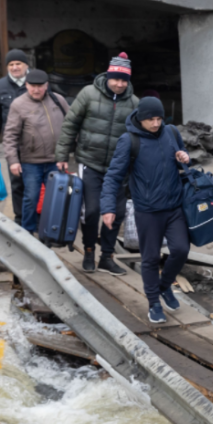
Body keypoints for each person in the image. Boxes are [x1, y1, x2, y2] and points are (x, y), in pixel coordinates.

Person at [100, 96, 190, 324]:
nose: (156, 123)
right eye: (151, 119)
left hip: (174, 206)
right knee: (150, 258)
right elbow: (113, 177)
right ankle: (154, 303)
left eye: (159, 118)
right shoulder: (129, 141)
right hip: (148, 210)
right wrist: (108, 207)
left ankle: (164, 286)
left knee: (180, 249)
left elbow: (182, 157)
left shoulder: (171, 132)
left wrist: (184, 158)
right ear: (141, 118)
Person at [54, 53, 140, 275]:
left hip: (118, 168)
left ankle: (107, 257)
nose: (120, 84)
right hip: (89, 162)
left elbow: (140, 136)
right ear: (108, 76)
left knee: (117, 213)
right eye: (116, 79)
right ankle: (90, 251)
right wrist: (62, 155)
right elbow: (70, 125)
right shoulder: (88, 94)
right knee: (91, 211)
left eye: (124, 80)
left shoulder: (133, 103)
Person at [2, 69, 70, 234]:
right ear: (26, 85)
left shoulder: (58, 100)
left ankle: (52, 232)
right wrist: (13, 160)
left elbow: (71, 127)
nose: (36, 90)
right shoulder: (18, 104)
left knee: (57, 199)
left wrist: (68, 152)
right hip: (31, 162)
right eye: (32, 86)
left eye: (40, 86)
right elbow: (10, 135)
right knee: (31, 198)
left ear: (47, 86)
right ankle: (28, 233)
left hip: (56, 160)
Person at [0, 49, 31, 227]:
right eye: (11, 64)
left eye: (18, 63)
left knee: (37, 181)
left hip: (36, 143)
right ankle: (20, 217)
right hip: (13, 143)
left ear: (26, 65)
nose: (15, 67)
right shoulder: (0, 86)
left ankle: (39, 215)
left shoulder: (36, 83)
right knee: (17, 181)